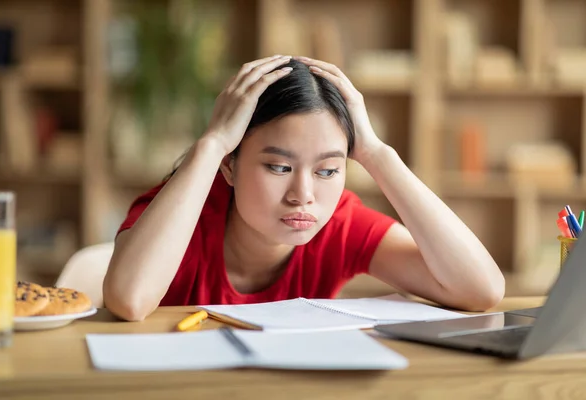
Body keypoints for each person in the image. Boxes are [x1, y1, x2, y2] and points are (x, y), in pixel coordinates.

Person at [103, 55, 505, 322]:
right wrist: (210, 144)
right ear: (229, 165)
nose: (304, 195)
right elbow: (128, 299)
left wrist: (377, 154)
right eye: (279, 166)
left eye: (328, 170)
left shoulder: (339, 223)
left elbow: (481, 290)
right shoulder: (181, 212)